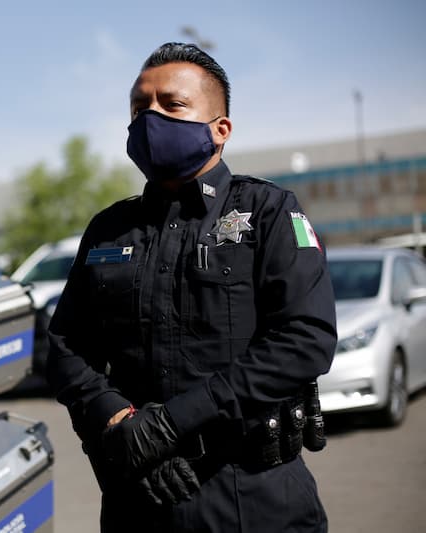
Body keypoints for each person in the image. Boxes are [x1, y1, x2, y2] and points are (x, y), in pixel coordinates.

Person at [46, 42, 337, 532]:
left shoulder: (267, 211)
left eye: (171, 105)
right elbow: (66, 346)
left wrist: (172, 423)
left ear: (220, 128)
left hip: (253, 496)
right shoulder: (108, 229)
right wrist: (118, 424)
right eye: (139, 108)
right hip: (138, 493)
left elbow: (305, 339)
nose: (149, 118)